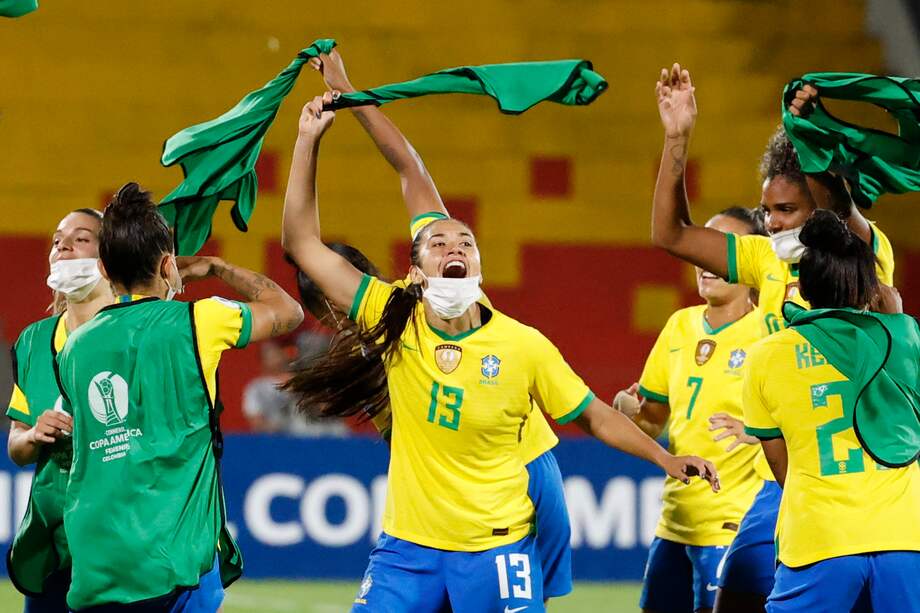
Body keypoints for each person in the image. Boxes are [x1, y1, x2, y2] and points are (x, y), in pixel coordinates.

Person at [282, 91, 718, 613]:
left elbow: (409, 168)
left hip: (522, 481)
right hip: (419, 535)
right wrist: (308, 140)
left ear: (478, 263)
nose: (454, 249)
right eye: (440, 244)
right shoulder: (387, 323)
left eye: (465, 242)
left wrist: (356, 95)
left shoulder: (515, 340)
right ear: (418, 269)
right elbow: (301, 241)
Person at [306, 47, 579, 602]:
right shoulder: (365, 363)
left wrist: (352, 93)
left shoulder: (424, 285)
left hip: (527, 462)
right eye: (327, 313)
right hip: (445, 520)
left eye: (337, 302)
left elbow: (409, 165)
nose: (338, 316)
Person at [650, 63, 898, 613]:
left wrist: (816, 140)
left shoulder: (865, 253)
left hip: (860, 474)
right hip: (784, 479)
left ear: (823, 208)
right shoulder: (766, 260)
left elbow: (847, 216)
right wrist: (677, 138)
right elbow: (670, 234)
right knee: (737, 593)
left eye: (786, 210)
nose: (773, 223)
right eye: (767, 211)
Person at [53, 183, 303, 612]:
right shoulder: (199, 320)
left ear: (107, 273)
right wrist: (216, 267)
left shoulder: (73, 346)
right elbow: (287, 311)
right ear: (168, 265)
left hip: (95, 558)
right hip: (171, 553)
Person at [742, 210, 920, 612]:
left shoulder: (766, 357)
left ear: (802, 287)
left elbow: (779, 463)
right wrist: (897, 317)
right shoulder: (905, 338)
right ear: (870, 288)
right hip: (905, 537)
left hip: (818, 538)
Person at [615, 208, 768, 613]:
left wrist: (757, 429)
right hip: (675, 523)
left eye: (720, 252)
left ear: (751, 260)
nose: (705, 262)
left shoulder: (770, 333)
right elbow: (652, 421)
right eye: (703, 249)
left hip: (734, 525)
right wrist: (627, 408)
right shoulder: (678, 326)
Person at [6, 208, 115, 613]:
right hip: (54, 542)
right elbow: (16, 447)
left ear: (109, 257)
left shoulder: (141, 334)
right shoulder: (33, 342)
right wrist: (34, 434)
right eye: (56, 240)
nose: (63, 246)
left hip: (123, 541)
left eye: (81, 238)